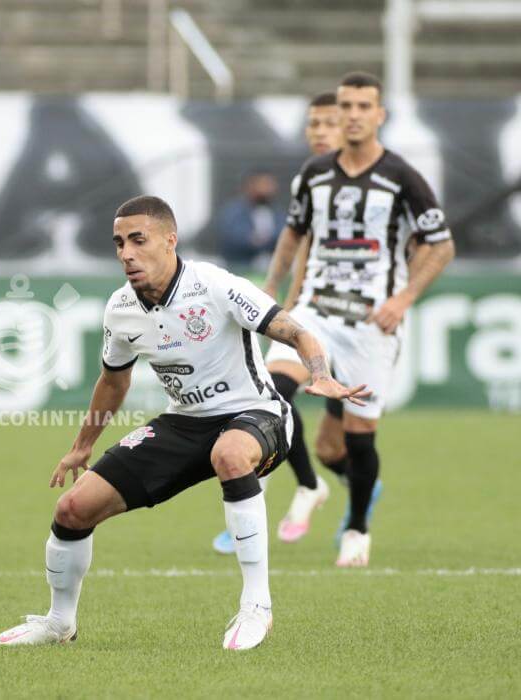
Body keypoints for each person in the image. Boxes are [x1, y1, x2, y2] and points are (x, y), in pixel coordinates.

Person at [0, 195, 369, 651]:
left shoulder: (213, 285)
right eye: (118, 244)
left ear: (170, 240)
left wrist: (321, 374)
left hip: (258, 413)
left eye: (138, 240)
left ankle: (257, 606)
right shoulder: (121, 308)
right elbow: (114, 382)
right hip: (185, 423)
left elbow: (294, 331)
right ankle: (59, 622)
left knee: (230, 454)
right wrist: (81, 445)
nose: (126, 253)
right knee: (72, 509)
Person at [261, 72, 455, 567]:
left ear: (379, 114)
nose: (351, 114)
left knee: (356, 436)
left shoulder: (402, 177)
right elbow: (293, 232)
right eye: (345, 105)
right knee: (273, 392)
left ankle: (358, 527)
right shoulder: (314, 173)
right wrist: (272, 289)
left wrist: (405, 297)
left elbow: (442, 244)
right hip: (315, 313)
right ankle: (307, 487)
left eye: (362, 106)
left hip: (370, 324)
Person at [212, 91, 347, 554]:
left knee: (347, 441)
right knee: (273, 400)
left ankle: (354, 510)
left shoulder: (381, 184)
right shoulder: (308, 183)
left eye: (329, 123)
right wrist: (276, 297)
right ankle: (282, 493)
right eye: (314, 125)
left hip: (355, 319)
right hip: (305, 313)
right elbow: (298, 250)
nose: (320, 133)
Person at [216, 170, 285, 269]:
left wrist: (266, 240)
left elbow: (284, 234)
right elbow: (231, 237)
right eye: (262, 184)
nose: (267, 189)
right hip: (240, 268)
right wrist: (253, 241)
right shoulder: (233, 211)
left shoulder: (278, 212)